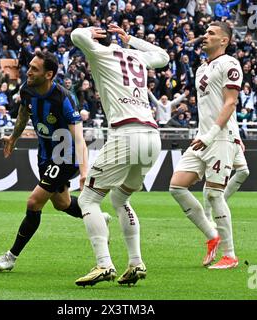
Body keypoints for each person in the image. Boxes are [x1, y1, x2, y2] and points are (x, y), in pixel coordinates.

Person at [71, 24, 169, 286]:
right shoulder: (136, 56)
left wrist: (88, 31)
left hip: (126, 133)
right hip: (152, 136)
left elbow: (76, 35)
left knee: (88, 200)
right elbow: (163, 56)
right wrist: (133, 40)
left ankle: (103, 264)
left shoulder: (100, 54)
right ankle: (136, 262)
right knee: (120, 198)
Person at [0, 51, 93, 271]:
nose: (29, 71)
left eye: (35, 69)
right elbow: (23, 115)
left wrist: (84, 172)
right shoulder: (27, 89)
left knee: (34, 202)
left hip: (65, 156)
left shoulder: (64, 99)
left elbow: (80, 139)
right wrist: (14, 137)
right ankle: (94, 216)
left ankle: (10, 257)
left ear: (49, 74)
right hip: (45, 155)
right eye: (30, 66)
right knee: (62, 203)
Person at [169, 21, 243, 269]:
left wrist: (212, 134)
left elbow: (230, 102)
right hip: (204, 137)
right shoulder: (202, 68)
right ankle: (213, 236)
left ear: (224, 40)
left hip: (219, 137)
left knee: (213, 193)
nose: (205, 36)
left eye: (211, 33)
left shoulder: (230, 63)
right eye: (205, 32)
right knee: (177, 186)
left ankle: (230, 255)